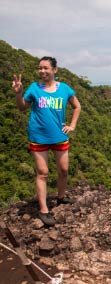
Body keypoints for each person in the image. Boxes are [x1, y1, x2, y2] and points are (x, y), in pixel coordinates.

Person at [12, 56, 81, 226]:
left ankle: (61, 198)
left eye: (46, 68)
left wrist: (72, 125)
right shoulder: (34, 88)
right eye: (40, 68)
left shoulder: (64, 89)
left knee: (64, 170)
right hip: (39, 137)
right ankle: (44, 210)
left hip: (59, 136)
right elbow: (22, 107)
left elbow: (77, 106)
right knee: (42, 172)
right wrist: (19, 93)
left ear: (54, 70)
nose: (42, 71)